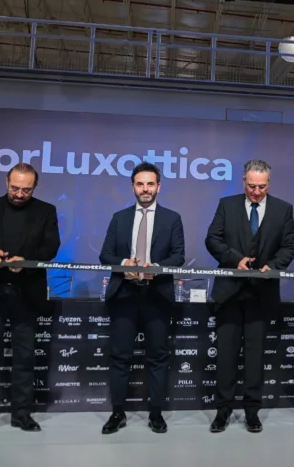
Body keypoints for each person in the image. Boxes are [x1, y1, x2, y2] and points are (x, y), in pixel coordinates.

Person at [0, 163, 61, 437]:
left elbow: (51, 247)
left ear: (35, 187)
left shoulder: (46, 211)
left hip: (26, 294)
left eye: (26, 190)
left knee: (25, 358)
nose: (19, 194)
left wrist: (26, 261)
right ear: (6, 182)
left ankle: (22, 415)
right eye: (15, 188)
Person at [205, 159, 294, 433]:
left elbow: (290, 246)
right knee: (226, 356)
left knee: (255, 358)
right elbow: (212, 239)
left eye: (262, 187)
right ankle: (222, 411)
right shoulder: (227, 205)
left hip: (262, 294)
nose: (257, 192)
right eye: (252, 186)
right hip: (229, 293)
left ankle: (252, 411)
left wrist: (274, 266)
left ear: (269, 183)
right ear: (243, 181)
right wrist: (235, 259)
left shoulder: (283, 209)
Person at [98, 162, 185, 434]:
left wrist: (155, 269)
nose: (145, 189)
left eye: (150, 184)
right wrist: (124, 263)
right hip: (124, 295)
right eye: (140, 184)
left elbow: (178, 257)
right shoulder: (119, 217)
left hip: (156, 296)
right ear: (133, 187)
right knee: (120, 357)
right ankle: (117, 413)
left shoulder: (172, 218)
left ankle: (156, 414)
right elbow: (105, 255)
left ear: (159, 187)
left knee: (157, 357)